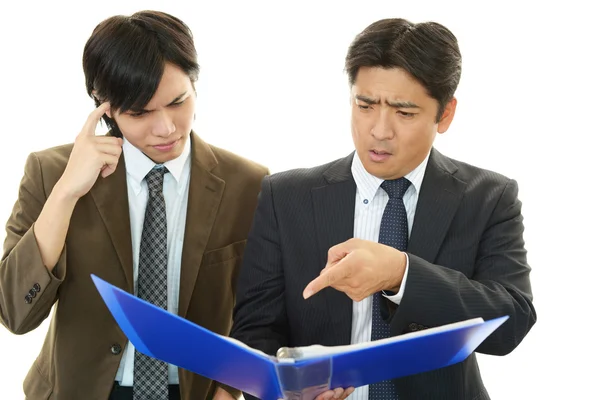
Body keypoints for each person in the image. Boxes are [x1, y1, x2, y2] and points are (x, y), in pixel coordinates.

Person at [215, 17, 536, 400]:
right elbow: (254, 333)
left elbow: (510, 323)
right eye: (365, 105)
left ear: (445, 114)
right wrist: (290, 389)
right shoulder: (286, 196)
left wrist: (401, 275)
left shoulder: (488, 196)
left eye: (404, 113)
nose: (379, 130)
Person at [0, 10, 268, 400]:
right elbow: (14, 311)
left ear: (196, 84)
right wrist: (65, 194)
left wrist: (231, 388)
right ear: (103, 107)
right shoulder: (51, 172)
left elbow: (260, 312)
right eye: (140, 112)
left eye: (178, 102)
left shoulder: (249, 184)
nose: (166, 128)